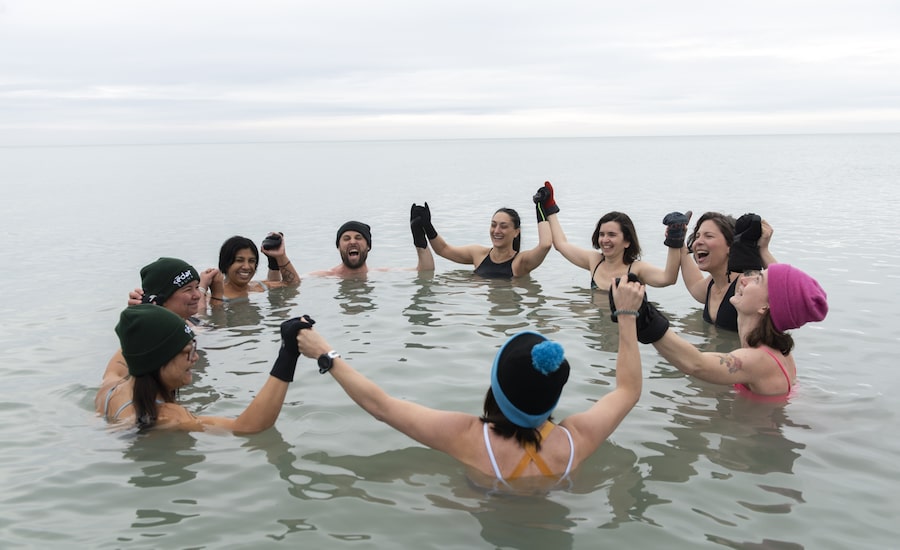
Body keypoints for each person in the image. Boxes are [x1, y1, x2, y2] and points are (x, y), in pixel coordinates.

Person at [295, 276, 645, 491]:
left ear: (496, 389)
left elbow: (381, 407)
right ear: (551, 398)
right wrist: (627, 315)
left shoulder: (469, 438)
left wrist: (326, 353)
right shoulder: (576, 441)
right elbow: (628, 391)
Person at [609, 264, 827, 398]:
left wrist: (644, 317)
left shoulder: (758, 359)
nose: (743, 279)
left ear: (766, 307)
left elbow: (696, 364)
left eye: (757, 280)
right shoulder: (781, 353)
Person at [96, 304, 308, 432]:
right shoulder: (169, 417)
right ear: (158, 359)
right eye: (187, 351)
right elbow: (249, 428)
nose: (195, 357)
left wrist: (151, 310)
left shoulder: (110, 386)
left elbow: (132, 343)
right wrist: (287, 353)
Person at [537, 181, 682, 292]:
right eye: (601, 234)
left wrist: (675, 239)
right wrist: (550, 207)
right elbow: (561, 245)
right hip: (596, 329)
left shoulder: (637, 269)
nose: (605, 240)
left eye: (612, 235)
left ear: (627, 241)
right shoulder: (594, 261)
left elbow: (668, 278)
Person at [110, 257, 217, 380]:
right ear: (162, 299)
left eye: (197, 287)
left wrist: (217, 291)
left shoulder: (193, 321)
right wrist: (141, 323)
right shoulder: (152, 339)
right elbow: (116, 376)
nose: (197, 295)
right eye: (188, 289)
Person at [674, 211, 777, 331]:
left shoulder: (745, 283)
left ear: (731, 245)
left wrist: (763, 250)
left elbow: (784, 293)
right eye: (697, 236)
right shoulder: (711, 285)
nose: (698, 242)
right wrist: (678, 239)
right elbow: (694, 284)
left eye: (708, 236)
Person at [410, 191, 552, 278]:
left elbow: (545, 245)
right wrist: (427, 226)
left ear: (516, 232)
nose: (496, 231)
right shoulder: (478, 254)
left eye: (503, 227)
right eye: (493, 225)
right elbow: (443, 250)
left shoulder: (520, 262)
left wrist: (540, 206)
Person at [305, 220, 434, 277]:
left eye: (358, 237)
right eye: (346, 238)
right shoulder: (324, 277)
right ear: (338, 247)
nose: (353, 242)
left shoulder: (379, 274)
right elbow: (291, 282)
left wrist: (420, 239)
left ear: (368, 247)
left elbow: (425, 271)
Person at [210, 232, 300, 301]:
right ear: (225, 263)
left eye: (251, 261)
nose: (246, 266)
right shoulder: (214, 297)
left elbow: (293, 284)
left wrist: (280, 256)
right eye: (239, 260)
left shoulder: (259, 287)